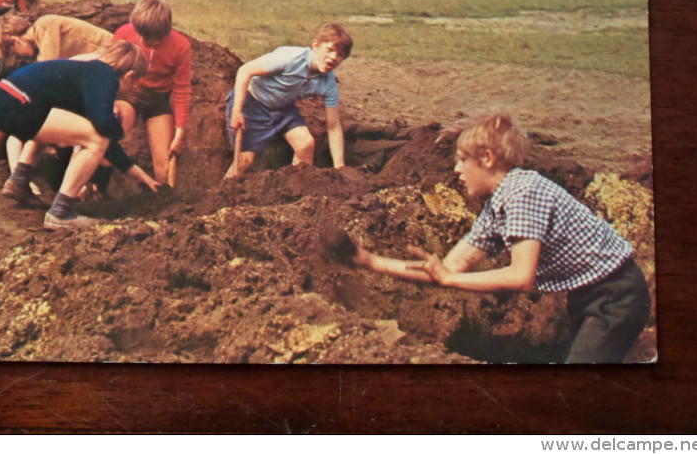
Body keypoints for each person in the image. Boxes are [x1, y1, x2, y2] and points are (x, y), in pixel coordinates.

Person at [344, 111, 652, 364]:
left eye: (463, 159)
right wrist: (370, 261)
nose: (456, 169)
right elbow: (447, 269)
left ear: (488, 158)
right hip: (588, 296)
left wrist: (449, 280)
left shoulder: (523, 192)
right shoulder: (497, 207)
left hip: (616, 294)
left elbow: (521, 277)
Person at [0, 41, 160, 230]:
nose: (133, 88)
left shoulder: (89, 75)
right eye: (135, 84)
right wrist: (117, 130)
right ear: (129, 76)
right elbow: (102, 128)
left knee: (67, 130)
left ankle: (19, 181)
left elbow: (98, 130)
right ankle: (60, 212)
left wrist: (135, 171)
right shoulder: (105, 75)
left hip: (3, 99)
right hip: (17, 103)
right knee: (96, 141)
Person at [225, 23, 352, 179]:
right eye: (330, 50)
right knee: (244, 161)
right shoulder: (290, 57)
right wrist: (237, 111)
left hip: (283, 108)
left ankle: (297, 193)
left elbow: (333, 126)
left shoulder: (329, 84)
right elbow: (245, 70)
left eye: (340, 55)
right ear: (315, 46)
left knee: (306, 145)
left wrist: (340, 167)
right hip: (252, 102)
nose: (334, 57)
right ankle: (222, 199)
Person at [113, 0, 192, 186]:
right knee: (109, 138)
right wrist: (111, 101)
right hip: (129, 94)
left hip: (158, 100)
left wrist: (180, 130)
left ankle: (163, 205)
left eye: (147, 37)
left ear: (164, 33)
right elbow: (108, 69)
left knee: (164, 168)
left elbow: (182, 88)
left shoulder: (181, 46)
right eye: (138, 33)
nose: (140, 40)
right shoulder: (124, 33)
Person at [0, 14, 114, 66]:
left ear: (16, 40)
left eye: (15, 53)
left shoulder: (44, 25)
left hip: (114, 52)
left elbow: (48, 66)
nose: (20, 57)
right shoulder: (40, 43)